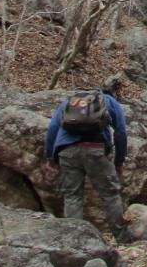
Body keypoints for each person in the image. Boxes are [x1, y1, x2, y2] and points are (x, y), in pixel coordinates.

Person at [44, 89, 127, 238]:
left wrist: (50, 158)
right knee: (110, 194)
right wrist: (119, 162)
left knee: (72, 195)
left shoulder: (70, 102)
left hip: (66, 151)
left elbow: (52, 129)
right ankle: (121, 236)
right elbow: (120, 132)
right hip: (95, 149)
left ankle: (75, 240)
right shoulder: (109, 101)